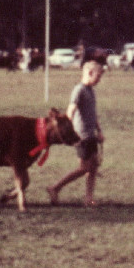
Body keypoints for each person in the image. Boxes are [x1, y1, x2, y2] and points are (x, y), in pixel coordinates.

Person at [47, 60, 105, 207]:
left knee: (93, 167)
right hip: (81, 136)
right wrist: (69, 130)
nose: (100, 79)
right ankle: (55, 188)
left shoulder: (91, 90)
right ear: (89, 73)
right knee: (84, 168)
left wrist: (99, 131)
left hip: (91, 135)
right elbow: (70, 111)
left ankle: (88, 197)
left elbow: (93, 114)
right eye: (98, 76)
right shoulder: (79, 90)